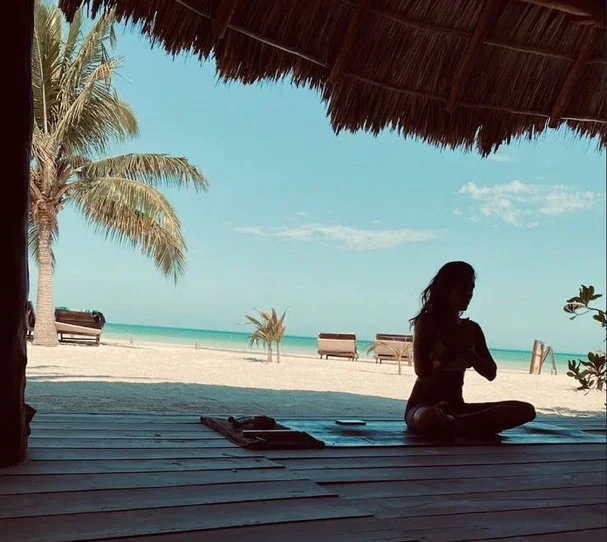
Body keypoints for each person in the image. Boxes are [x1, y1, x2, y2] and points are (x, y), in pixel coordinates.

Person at [405, 261, 536, 437]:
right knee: (427, 418)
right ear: (445, 289)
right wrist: (453, 350)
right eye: (462, 289)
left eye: (471, 289)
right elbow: (422, 371)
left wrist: (467, 351)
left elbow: (491, 373)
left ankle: (455, 422)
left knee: (526, 410)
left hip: (457, 408)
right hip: (422, 406)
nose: (468, 295)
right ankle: (458, 423)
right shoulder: (427, 323)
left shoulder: (472, 329)